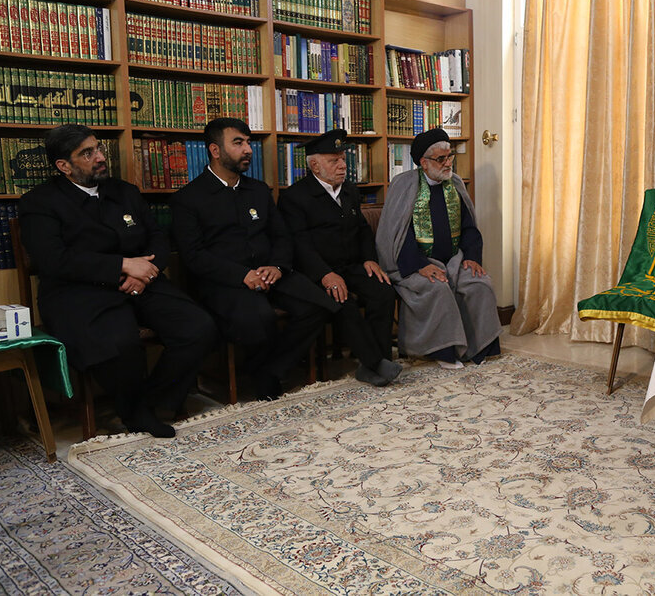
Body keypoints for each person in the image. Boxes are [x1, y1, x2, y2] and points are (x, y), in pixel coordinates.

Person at [169, 118, 400, 400]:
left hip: (273, 273)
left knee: (324, 304)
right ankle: (262, 376)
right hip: (226, 282)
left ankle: (276, 368)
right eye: (238, 143)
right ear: (215, 151)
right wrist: (242, 275)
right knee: (259, 316)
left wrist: (278, 266)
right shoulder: (188, 198)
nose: (248, 150)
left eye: (248, 142)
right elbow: (194, 256)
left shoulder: (257, 190)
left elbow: (282, 236)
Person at [19, 124, 217, 438]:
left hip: (142, 283)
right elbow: (53, 259)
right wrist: (123, 265)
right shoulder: (39, 202)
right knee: (121, 342)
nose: (100, 157)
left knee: (198, 327)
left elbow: (157, 237)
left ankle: (149, 401)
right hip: (79, 292)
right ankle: (135, 413)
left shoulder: (124, 191)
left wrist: (146, 273)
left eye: (98, 148)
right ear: (63, 166)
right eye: (87, 153)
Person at [277, 129, 400, 378]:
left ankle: (380, 360)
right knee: (343, 301)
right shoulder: (294, 197)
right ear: (314, 165)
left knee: (384, 292)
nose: (343, 165)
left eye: (343, 158)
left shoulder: (350, 191)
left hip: (351, 265)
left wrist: (369, 259)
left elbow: (363, 231)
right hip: (318, 273)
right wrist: (325, 274)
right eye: (334, 161)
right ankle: (375, 364)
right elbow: (299, 245)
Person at [376, 128, 501, 368]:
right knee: (438, 288)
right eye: (440, 159)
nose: (447, 163)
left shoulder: (454, 183)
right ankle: (443, 352)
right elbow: (397, 235)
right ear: (423, 162)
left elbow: (469, 227)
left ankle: (480, 348)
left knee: (480, 283)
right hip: (414, 264)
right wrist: (420, 265)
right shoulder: (404, 185)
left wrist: (473, 257)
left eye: (450, 156)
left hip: (454, 259)